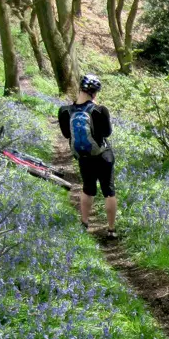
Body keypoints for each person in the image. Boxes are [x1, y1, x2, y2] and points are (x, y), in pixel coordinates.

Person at [58, 74, 117, 239]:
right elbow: (107, 133)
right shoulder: (100, 110)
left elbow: (65, 134)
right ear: (94, 93)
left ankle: (84, 223)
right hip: (103, 155)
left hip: (84, 157)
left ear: (80, 89)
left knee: (88, 188)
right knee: (108, 191)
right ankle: (111, 230)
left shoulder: (65, 111)